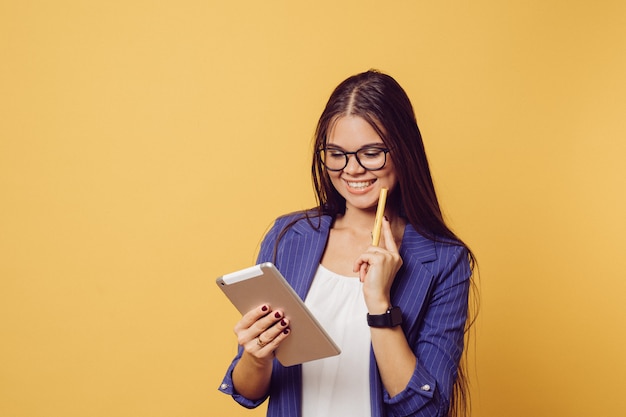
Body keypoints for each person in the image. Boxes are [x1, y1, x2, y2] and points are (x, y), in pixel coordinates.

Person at [218, 70, 477, 417]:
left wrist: (379, 304)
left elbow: (425, 410)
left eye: (371, 153)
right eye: (337, 154)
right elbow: (247, 391)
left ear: (404, 150)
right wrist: (255, 353)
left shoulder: (444, 260)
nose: (352, 170)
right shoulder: (289, 237)